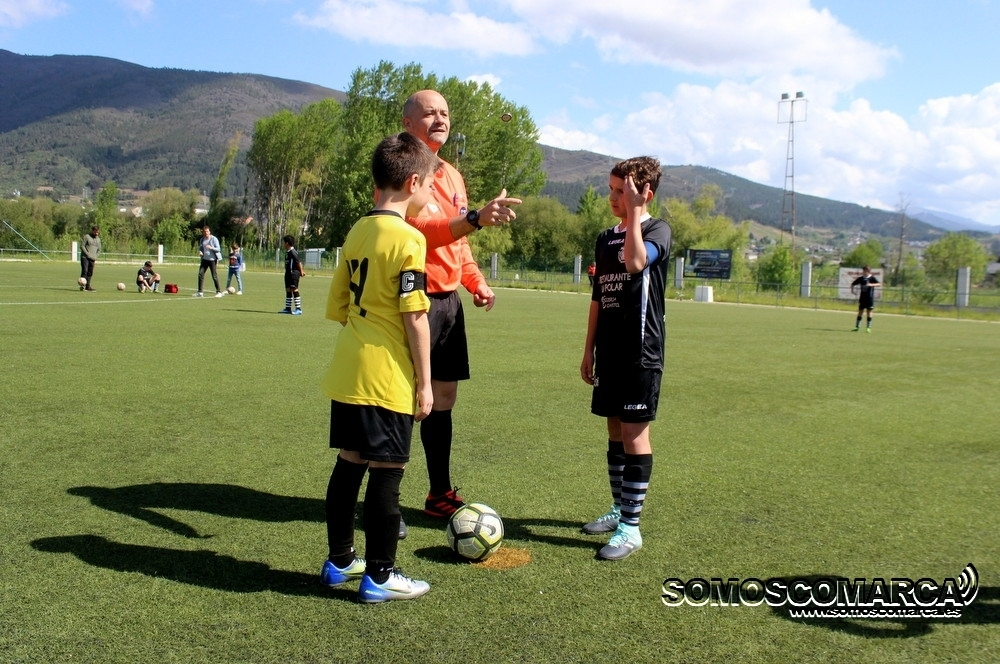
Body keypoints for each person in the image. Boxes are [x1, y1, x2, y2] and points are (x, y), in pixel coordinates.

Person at [320, 131, 438, 603]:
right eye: (429, 182)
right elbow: (415, 317)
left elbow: (338, 305)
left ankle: (340, 561)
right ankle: (381, 575)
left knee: (349, 464)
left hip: (348, 367)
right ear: (412, 182)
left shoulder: (357, 230)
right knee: (388, 471)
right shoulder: (409, 238)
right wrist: (425, 383)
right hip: (385, 375)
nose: (429, 190)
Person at [401, 89, 522, 525]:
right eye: (429, 113)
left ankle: (439, 492)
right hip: (411, 299)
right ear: (408, 123)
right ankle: (385, 497)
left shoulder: (452, 174)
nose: (440, 119)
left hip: (448, 302)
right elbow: (416, 228)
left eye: (445, 113)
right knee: (403, 399)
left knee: (444, 397)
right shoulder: (401, 167)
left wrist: (476, 281)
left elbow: (459, 240)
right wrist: (473, 219)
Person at [579, 156, 673, 561]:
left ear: (644, 194)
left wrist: (635, 213)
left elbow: (635, 263)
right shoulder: (605, 238)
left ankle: (631, 530)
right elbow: (599, 297)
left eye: (622, 192)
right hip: (610, 351)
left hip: (640, 350)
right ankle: (619, 510)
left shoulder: (657, 230)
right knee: (615, 430)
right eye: (612, 189)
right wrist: (588, 349)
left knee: (635, 434)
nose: (613, 197)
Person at [195, 226, 224, 298]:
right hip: (204, 259)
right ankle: (200, 292)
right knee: (200, 274)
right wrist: (200, 252)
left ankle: (219, 292)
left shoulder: (214, 239)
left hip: (212, 260)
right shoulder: (202, 239)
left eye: (207, 231)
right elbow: (201, 248)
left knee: (214, 275)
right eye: (204, 232)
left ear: (209, 231)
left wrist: (211, 248)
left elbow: (218, 249)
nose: (206, 233)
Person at [280, 235, 306, 315]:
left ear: (287, 243)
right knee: (288, 289)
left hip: (293, 273)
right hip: (288, 273)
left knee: (294, 289)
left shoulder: (293, 252)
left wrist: (301, 272)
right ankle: (288, 308)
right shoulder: (288, 252)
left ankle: (298, 309)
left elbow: (298, 262)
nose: (283, 244)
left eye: (284, 242)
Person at [851, 265, 880, 332]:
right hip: (862, 298)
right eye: (863, 270)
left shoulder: (872, 278)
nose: (863, 272)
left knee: (869, 312)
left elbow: (879, 284)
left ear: (868, 271)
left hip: (869, 298)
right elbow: (853, 284)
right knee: (860, 311)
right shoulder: (861, 278)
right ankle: (857, 327)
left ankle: (868, 327)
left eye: (865, 271)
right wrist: (852, 291)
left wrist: (871, 284)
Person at [80, 226, 101, 291]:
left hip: (93, 258)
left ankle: (88, 286)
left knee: (90, 272)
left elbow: (99, 250)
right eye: (95, 232)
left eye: (97, 232)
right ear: (92, 231)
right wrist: (87, 254)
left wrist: (96, 256)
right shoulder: (87, 236)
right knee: (85, 271)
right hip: (85, 257)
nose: (96, 233)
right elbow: (82, 246)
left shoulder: (98, 239)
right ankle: (82, 286)